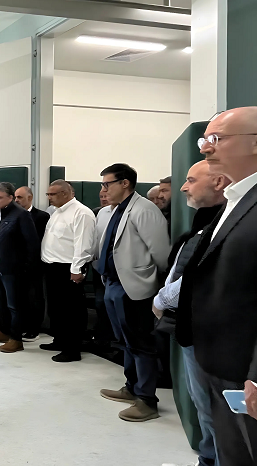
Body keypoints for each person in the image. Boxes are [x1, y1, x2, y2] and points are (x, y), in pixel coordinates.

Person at [177, 107, 257, 465]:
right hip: (220, 365)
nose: (206, 148)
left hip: (252, 376)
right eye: (205, 140)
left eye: (216, 139)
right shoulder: (237, 199)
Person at [153, 160, 229, 466]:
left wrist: (161, 299)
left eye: (191, 180)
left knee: (213, 409)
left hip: (211, 332)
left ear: (219, 182)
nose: (183, 188)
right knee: (204, 405)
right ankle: (207, 458)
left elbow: (197, 276)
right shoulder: (205, 221)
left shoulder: (225, 223)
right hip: (193, 327)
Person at [97, 163, 170, 422]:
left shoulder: (144, 209)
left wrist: (152, 281)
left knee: (141, 344)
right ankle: (131, 387)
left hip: (134, 287)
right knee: (126, 342)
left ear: (125, 183)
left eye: (107, 184)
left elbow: (161, 254)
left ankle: (147, 400)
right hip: (113, 284)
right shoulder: (117, 210)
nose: (103, 189)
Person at [40, 180, 96, 362]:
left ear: (65, 193)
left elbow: (83, 244)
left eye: (52, 194)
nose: (49, 198)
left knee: (71, 310)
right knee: (56, 308)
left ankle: (72, 349)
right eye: (48, 194)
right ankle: (60, 340)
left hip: (68, 267)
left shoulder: (81, 213)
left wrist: (77, 269)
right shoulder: (56, 212)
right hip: (52, 266)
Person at [0, 182, 39, 354]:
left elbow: (32, 243)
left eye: (0, 197)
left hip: (13, 269)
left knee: (14, 304)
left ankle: (16, 338)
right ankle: (4, 331)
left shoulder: (21, 215)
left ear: (11, 198)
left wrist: (25, 267)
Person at [14, 186, 50, 342]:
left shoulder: (42, 217)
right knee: (19, 297)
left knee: (34, 297)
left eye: (20, 197)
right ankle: (22, 326)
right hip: (16, 264)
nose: (16, 200)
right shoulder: (13, 215)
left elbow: (40, 241)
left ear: (30, 198)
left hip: (34, 264)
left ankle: (34, 329)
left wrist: (32, 262)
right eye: (15, 197)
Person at [92, 188, 115, 349]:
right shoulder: (100, 213)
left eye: (106, 195)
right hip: (99, 266)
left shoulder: (126, 212)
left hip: (116, 268)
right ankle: (102, 337)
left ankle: (114, 339)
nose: (104, 199)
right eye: (101, 196)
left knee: (112, 303)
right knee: (100, 303)